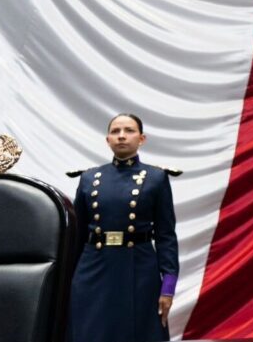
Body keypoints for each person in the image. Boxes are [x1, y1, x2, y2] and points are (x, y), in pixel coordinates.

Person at [68, 113, 179, 342]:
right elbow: (77, 236)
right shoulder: (89, 178)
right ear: (107, 139)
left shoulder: (156, 177)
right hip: (93, 268)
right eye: (115, 131)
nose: (121, 136)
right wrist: (68, 280)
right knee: (90, 332)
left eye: (129, 130)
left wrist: (168, 287)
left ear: (142, 138)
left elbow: (166, 235)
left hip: (138, 267)